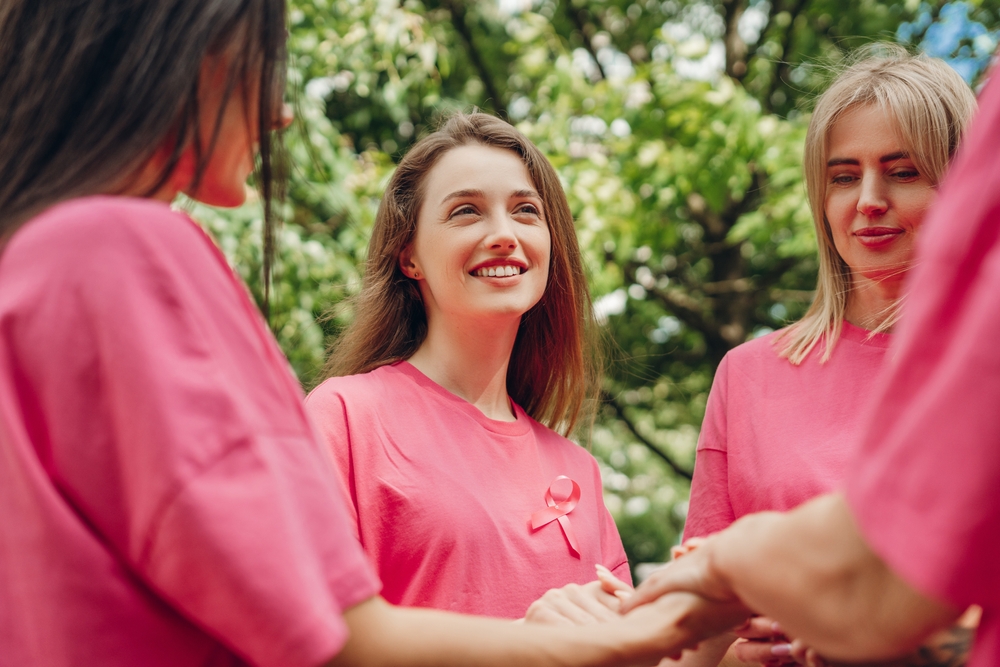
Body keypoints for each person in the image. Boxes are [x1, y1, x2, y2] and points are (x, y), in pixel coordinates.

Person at [0, 1, 749, 666]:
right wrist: (632, 630)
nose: (279, 113)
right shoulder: (123, 248)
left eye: (527, 211)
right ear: (185, 49)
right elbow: (328, 635)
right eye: (266, 59)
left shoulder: (40, 261)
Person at [617, 48, 1000, 667]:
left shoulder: (978, 370)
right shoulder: (747, 376)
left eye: (903, 171)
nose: (868, 199)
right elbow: (695, 636)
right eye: (844, 176)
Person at [305, 112, 632, 621]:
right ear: (408, 255)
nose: (504, 234)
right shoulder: (345, 418)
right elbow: (313, 634)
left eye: (526, 210)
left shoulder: (578, 470)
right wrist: (525, 647)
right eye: (466, 212)